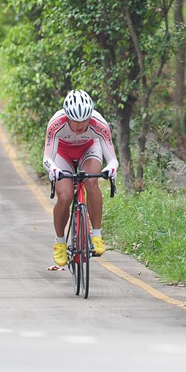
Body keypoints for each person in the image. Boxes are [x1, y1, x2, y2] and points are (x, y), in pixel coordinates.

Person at [43, 90, 119, 267]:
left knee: (92, 182)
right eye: (75, 121)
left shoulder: (99, 123)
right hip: (62, 154)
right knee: (65, 196)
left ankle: (97, 235)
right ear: (67, 117)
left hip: (89, 149)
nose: (79, 125)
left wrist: (110, 169)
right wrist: (53, 169)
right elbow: (47, 158)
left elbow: (113, 159)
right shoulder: (56, 123)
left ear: (90, 116)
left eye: (84, 120)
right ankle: (60, 242)